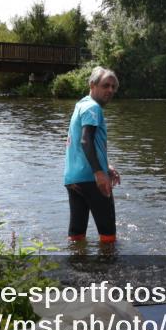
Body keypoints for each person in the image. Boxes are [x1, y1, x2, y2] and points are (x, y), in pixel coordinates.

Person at [64, 66, 121, 243]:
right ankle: (107, 268)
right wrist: (99, 172)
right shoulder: (93, 108)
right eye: (106, 85)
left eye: (113, 87)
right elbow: (85, 140)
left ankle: (76, 265)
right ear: (92, 84)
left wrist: (106, 166)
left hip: (73, 178)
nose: (110, 90)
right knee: (108, 235)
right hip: (91, 179)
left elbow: (82, 144)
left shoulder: (81, 104)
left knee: (76, 235)